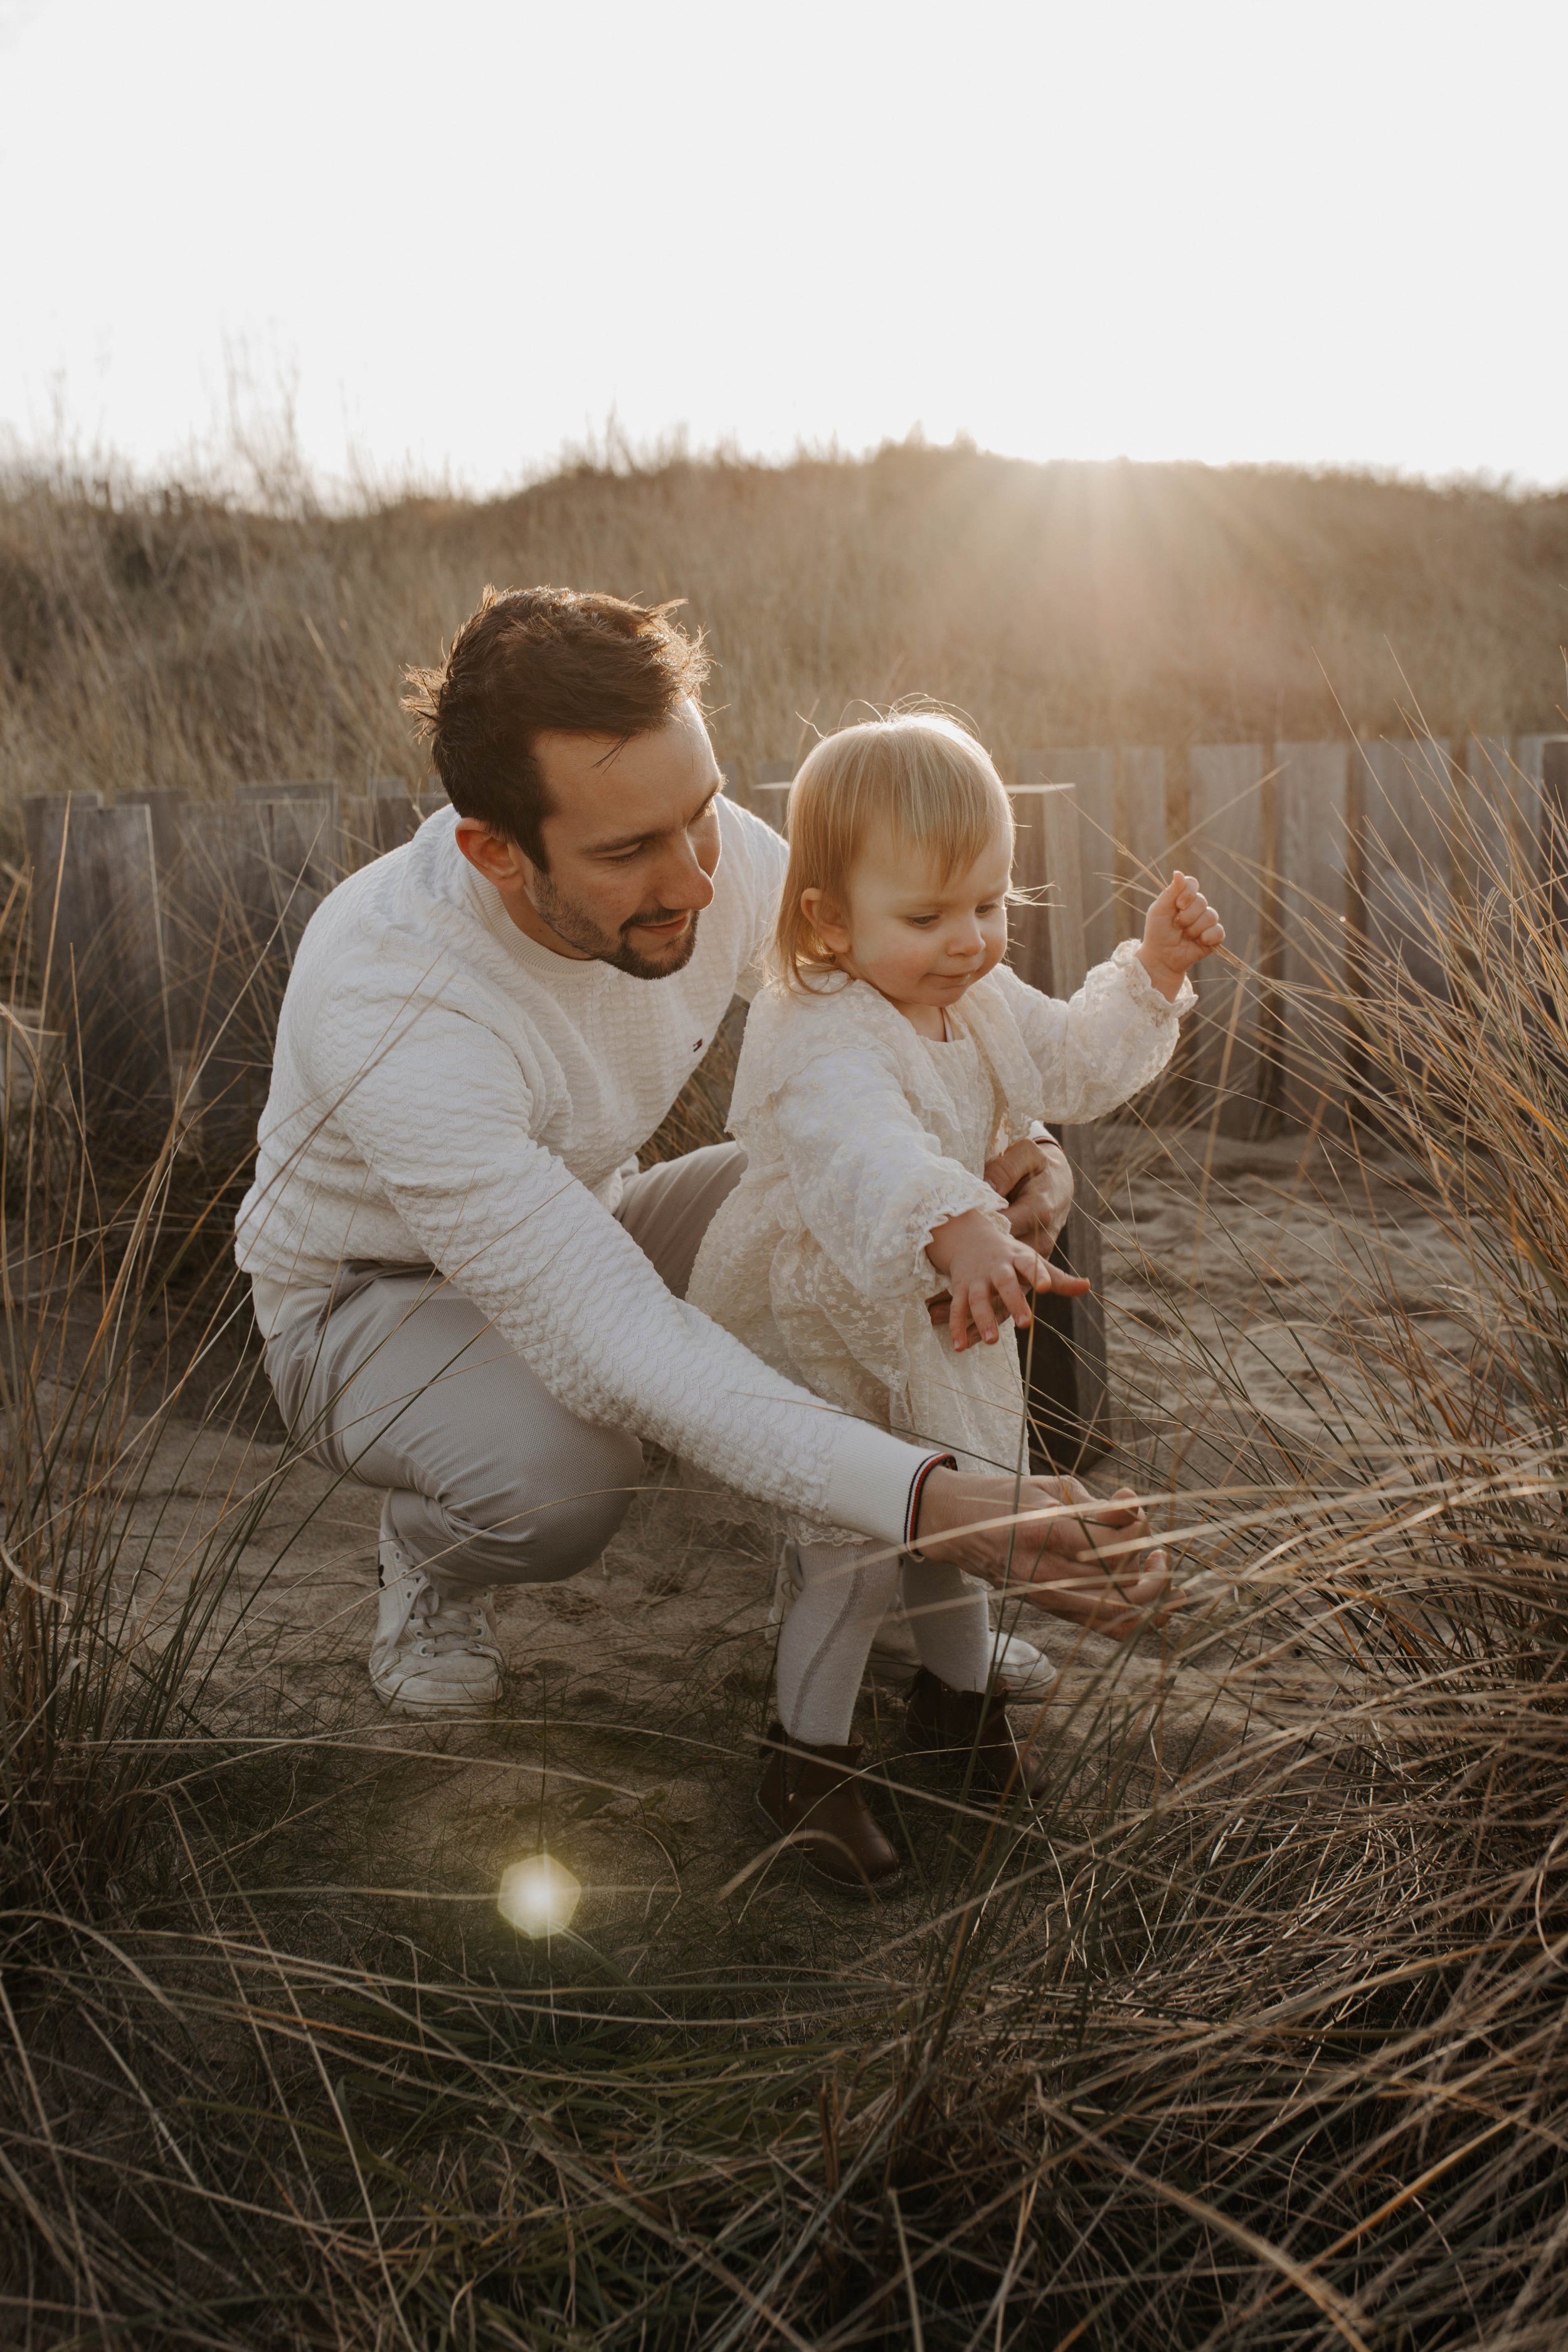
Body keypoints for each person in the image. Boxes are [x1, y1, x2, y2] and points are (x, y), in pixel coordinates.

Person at [235, 586, 1177, 1720]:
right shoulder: (391, 989)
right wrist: (939, 1500)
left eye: (704, 812)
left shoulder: (707, 856)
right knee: (563, 1479)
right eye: (630, 849)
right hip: (368, 1307)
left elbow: (938, 994)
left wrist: (1017, 1143)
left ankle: (867, 1567)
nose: (696, 880)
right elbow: (617, 1340)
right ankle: (433, 1558)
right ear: (494, 851)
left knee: (910, 1203)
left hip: (594, 1221)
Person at [687, 714, 1222, 1888]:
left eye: (988, 904)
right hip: (831, 1309)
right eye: (927, 916)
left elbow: (1072, 1057)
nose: (967, 942)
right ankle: (809, 1759)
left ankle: (958, 1699)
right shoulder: (816, 1018)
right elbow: (860, 1145)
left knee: (960, 1504)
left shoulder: (972, 994)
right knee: (860, 1542)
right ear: (826, 916)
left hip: (936, 1307)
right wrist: (954, 1215)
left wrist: (1153, 975)